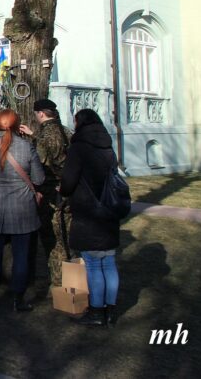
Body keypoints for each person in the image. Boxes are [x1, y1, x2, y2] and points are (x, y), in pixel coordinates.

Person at [0, 109, 45, 312]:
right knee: (21, 256)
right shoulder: (26, 147)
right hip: (22, 210)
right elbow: (39, 179)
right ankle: (17, 298)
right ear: (17, 126)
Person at [60, 109, 122, 327]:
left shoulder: (78, 148)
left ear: (80, 123)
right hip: (109, 210)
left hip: (88, 211)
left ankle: (96, 311)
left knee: (94, 265)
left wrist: (63, 190)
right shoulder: (108, 147)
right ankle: (110, 309)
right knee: (109, 262)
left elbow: (68, 182)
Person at [19, 98, 71, 287]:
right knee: (67, 235)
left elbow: (40, 165)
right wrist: (33, 135)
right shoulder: (65, 131)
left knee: (53, 239)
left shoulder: (45, 136)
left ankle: (60, 282)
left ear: (40, 113)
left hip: (50, 193)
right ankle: (72, 275)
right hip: (68, 190)